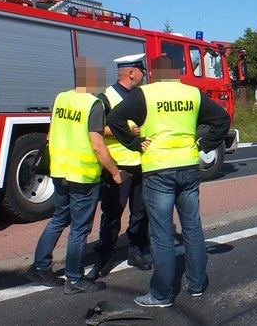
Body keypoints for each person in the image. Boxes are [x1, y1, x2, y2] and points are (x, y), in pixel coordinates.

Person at [108, 56, 231, 308]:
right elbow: (222, 119)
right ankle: (196, 285)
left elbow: (115, 120)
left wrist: (133, 144)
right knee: (192, 229)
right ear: (177, 72)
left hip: (158, 169)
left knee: (162, 234)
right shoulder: (192, 94)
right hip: (188, 166)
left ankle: (161, 294)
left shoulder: (144, 94)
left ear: (153, 72)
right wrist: (205, 145)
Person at [25, 57, 130, 294]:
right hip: (83, 175)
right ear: (94, 79)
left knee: (59, 219)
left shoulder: (61, 98)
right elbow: (97, 145)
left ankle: (40, 266)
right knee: (80, 228)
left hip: (60, 171)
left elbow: (51, 133)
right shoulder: (94, 104)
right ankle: (73, 279)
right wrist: (114, 172)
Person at [91, 53, 151, 278]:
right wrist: (124, 130)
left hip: (141, 163)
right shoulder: (105, 97)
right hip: (117, 165)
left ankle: (136, 250)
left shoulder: (142, 95)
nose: (144, 75)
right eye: (141, 71)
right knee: (112, 213)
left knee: (140, 211)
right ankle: (105, 254)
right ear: (132, 73)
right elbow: (97, 129)